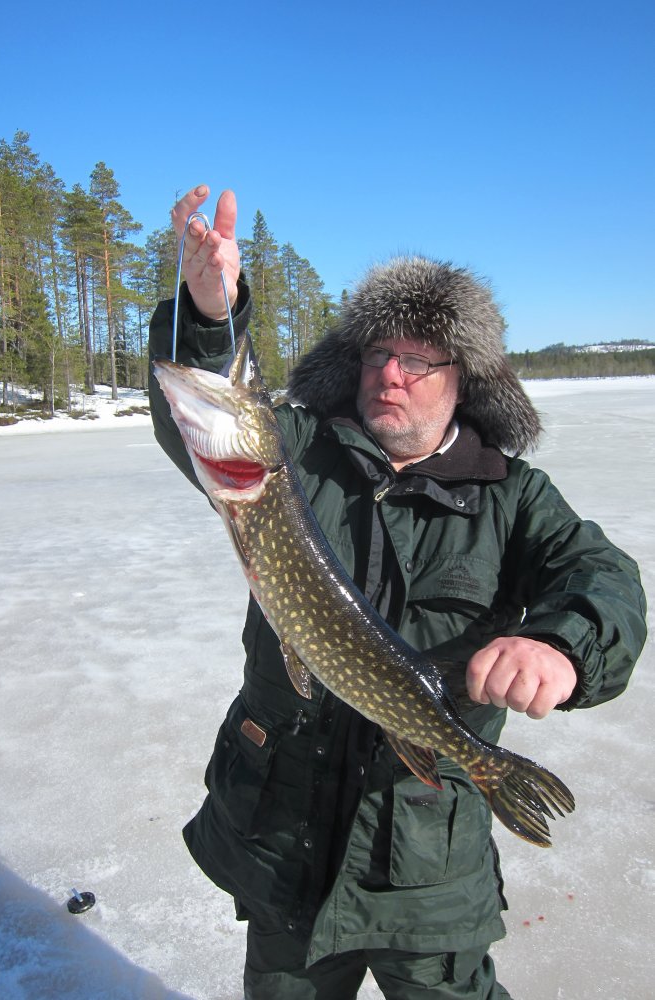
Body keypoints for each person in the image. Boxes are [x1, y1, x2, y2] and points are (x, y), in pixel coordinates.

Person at [148, 186, 647, 1000]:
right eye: (379, 352)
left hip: (424, 860)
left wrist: (562, 645)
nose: (390, 373)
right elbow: (202, 420)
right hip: (282, 841)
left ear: (463, 379)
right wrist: (211, 315)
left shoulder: (512, 496)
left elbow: (605, 579)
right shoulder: (293, 454)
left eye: (418, 360)